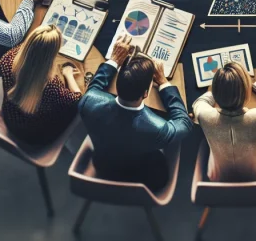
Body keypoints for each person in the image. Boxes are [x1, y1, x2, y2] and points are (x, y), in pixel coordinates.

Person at [78, 37, 192, 190]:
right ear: (146, 93)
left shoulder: (89, 102)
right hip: (145, 178)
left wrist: (114, 61)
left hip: (104, 166)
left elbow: (95, 87)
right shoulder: (158, 128)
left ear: (118, 84)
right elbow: (184, 123)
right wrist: (164, 82)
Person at [193, 62, 256, 181]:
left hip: (217, 177)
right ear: (247, 91)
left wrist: (219, 89)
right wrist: (253, 84)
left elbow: (199, 102)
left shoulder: (203, 115)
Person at [0, 24, 82, 145]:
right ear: (51, 56)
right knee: (72, 112)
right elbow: (78, 99)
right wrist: (68, 74)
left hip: (10, 120)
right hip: (36, 137)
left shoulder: (7, 59)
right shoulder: (51, 87)